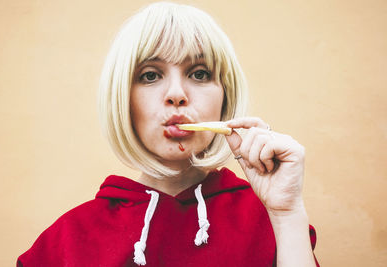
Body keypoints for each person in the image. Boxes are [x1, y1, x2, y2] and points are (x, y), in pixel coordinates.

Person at [18, 2, 319, 266]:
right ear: (123, 98)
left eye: (199, 73)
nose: (177, 94)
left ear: (225, 98)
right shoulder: (66, 241)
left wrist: (287, 213)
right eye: (150, 75)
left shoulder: (269, 218)